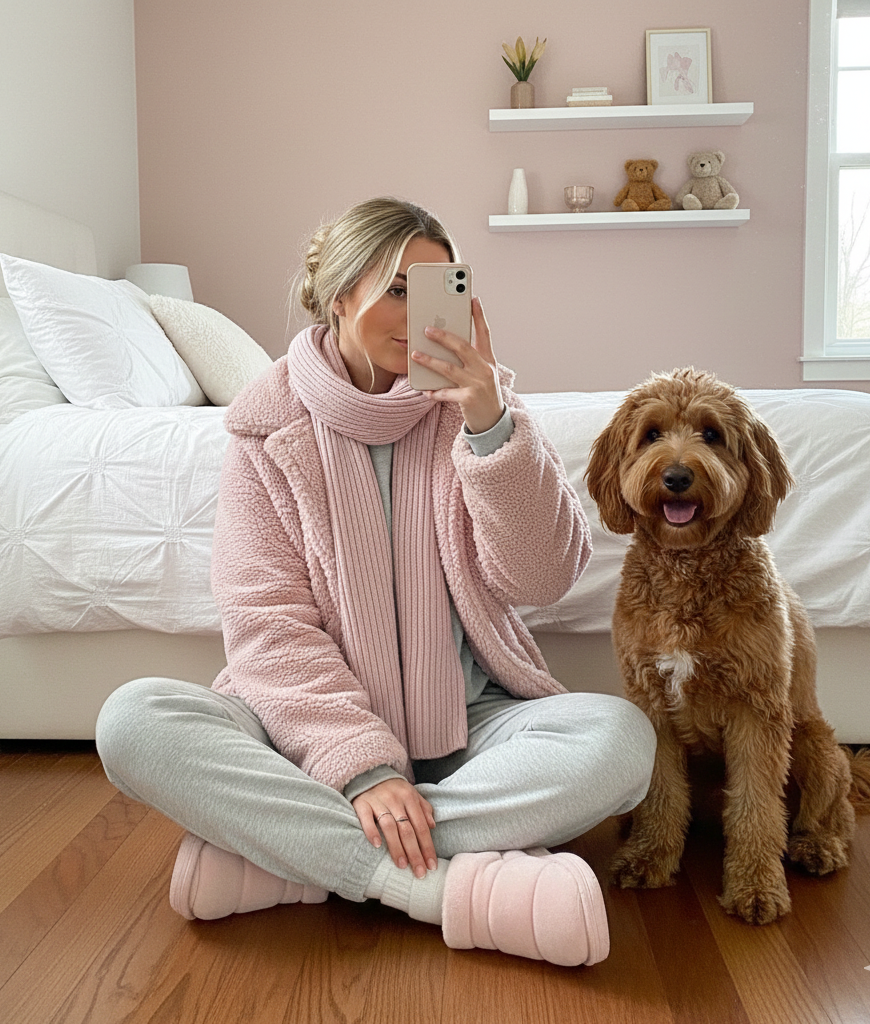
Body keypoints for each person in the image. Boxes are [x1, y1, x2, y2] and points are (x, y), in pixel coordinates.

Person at [96, 196, 655, 968]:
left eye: (439, 291)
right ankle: (437, 889)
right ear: (338, 296)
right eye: (398, 289)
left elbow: (543, 576)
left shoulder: (481, 409)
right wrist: (362, 769)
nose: (418, 315)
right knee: (133, 721)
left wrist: (489, 425)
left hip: (468, 727)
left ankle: (291, 854)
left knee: (620, 742)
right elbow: (268, 627)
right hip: (310, 736)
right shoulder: (265, 429)